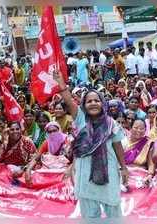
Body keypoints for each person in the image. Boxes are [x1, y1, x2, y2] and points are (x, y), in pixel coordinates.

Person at [53, 69, 128, 218]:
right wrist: (61, 85)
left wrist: (124, 168)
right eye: (89, 101)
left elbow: (117, 145)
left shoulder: (111, 123)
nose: (93, 103)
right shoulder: (81, 120)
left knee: (114, 214)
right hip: (85, 175)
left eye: (96, 100)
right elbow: (69, 101)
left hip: (109, 175)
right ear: (84, 105)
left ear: (102, 103)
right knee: (90, 216)